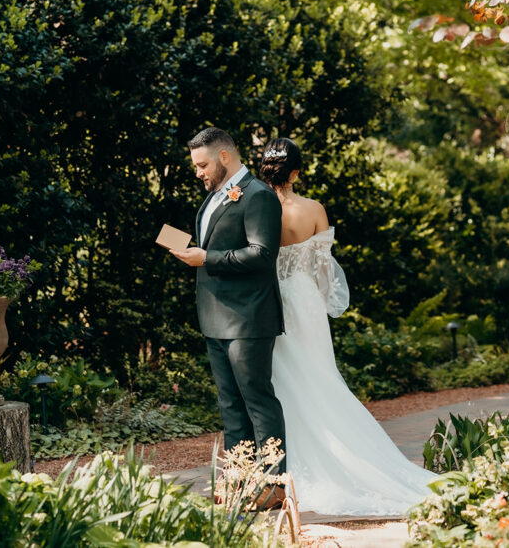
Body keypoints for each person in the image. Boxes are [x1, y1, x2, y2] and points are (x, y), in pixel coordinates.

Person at [259, 137, 437, 516]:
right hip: (304, 302)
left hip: (271, 301)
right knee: (320, 375)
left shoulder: (257, 208)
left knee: (280, 381)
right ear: (296, 171)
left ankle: (283, 465)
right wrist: (318, 300)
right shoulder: (314, 209)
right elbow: (323, 269)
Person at [170, 127, 287, 510]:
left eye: (202, 164)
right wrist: (193, 252)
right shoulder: (213, 198)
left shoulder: (258, 195)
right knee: (230, 405)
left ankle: (272, 485)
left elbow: (262, 254)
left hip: (249, 317)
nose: (198, 172)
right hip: (215, 316)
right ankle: (239, 479)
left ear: (225, 157)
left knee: (257, 401)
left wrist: (207, 259)